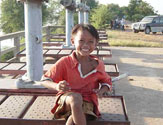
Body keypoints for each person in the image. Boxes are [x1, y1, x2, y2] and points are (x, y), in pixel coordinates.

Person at [41, 24, 112, 125]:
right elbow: (45, 80)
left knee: (73, 119)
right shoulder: (65, 62)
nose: (86, 45)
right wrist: (57, 86)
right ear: (73, 41)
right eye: (81, 41)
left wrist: (101, 91)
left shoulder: (98, 65)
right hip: (67, 100)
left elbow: (107, 82)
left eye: (91, 41)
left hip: (88, 102)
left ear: (96, 43)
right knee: (76, 98)